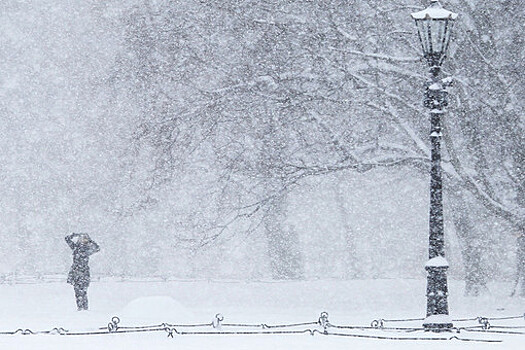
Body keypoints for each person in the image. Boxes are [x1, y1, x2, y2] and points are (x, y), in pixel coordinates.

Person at [65, 233, 100, 310]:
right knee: (77, 291)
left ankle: (85, 308)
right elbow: (67, 239)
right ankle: (80, 307)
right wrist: (75, 234)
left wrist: (90, 241)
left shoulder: (87, 249)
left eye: (85, 239)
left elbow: (97, 248)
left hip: (84, 272)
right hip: (75, 271)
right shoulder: (75, 247)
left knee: (83, 291)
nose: (83, 240)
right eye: (81, 238)